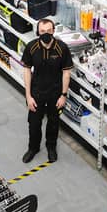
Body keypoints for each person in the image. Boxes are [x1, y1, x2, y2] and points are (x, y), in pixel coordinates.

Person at [21, 18, 73, 164]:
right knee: (34, 123)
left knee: (53, 122)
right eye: (42, 31)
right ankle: (33, 148)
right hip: (36, 93)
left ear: (53, 31)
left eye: (49, 31)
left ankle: (51, 147)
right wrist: (28, 96)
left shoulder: (62, 48)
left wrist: (63, 95)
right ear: (38, 32)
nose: (46, 34)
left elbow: (66, 74)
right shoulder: (31, 47)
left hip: (55, 94)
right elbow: (26, 71)